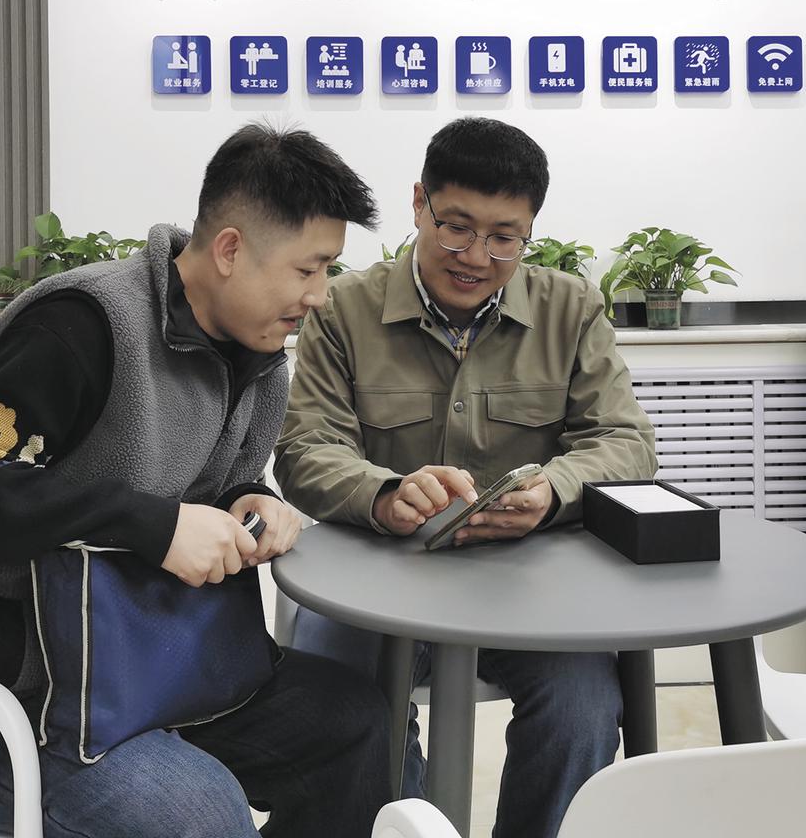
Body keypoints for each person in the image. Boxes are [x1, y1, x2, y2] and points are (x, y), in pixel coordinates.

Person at [0, 123, 391, 838]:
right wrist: (151, 525)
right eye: (308, 269)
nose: (321, 295)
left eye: (329, 271)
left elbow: (211, 480)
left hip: (141, 671)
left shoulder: (256, 356)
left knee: (356, 723)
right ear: (230, 250)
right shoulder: (80, 327)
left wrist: (250, 500)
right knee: (202, 812)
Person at [273, 117, 657, 838]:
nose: (477, 257)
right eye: (456, 227)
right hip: (374, 580)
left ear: (530, 230)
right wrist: (384, 494)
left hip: (531, 586)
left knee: (581, 712)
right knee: (334, 709)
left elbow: (625, 441)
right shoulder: (344, 308)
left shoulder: (571, 309)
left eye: (505, 237)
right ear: (419, 203)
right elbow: (306, 448)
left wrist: (554, 491)